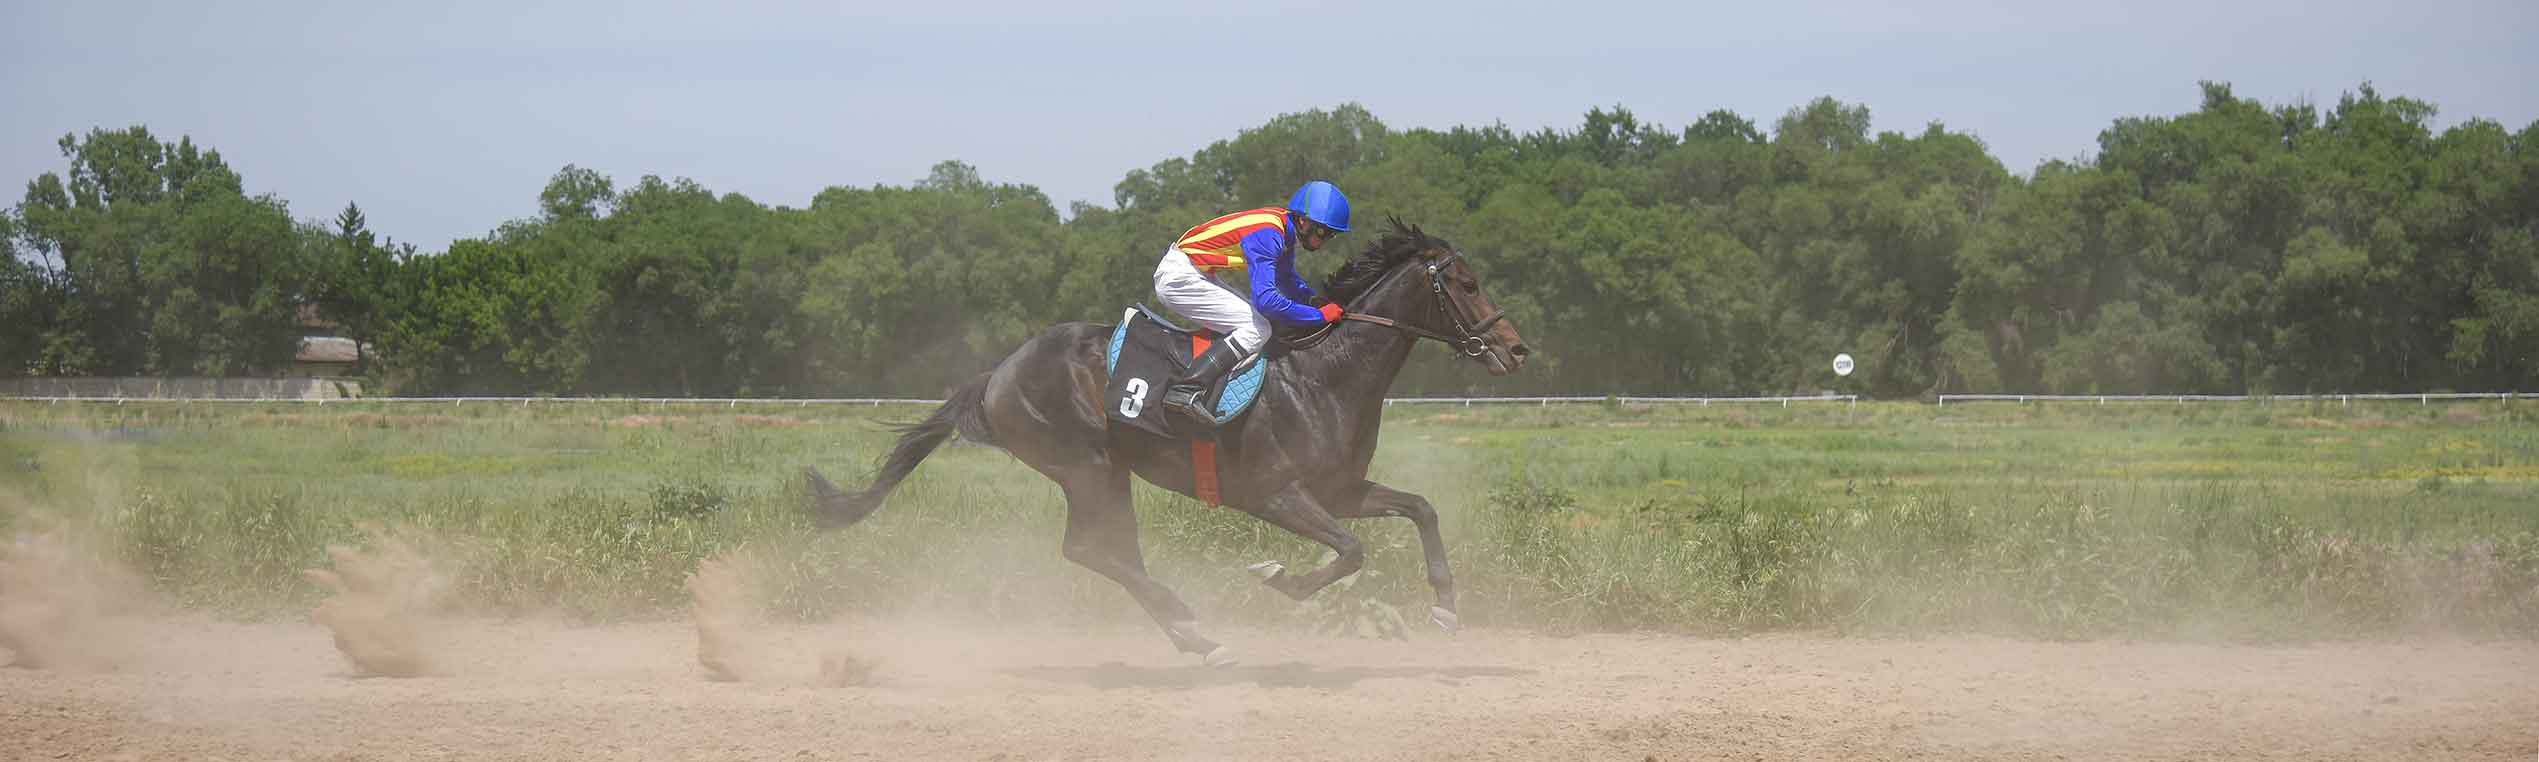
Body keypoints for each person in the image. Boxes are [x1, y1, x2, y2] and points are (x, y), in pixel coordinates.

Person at [1151, 180, 1350, 422]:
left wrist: (1314, 300)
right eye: (1322, 232)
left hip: (1196, 271)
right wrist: (1318, 316)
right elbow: (1267, 300)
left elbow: (1286, 278)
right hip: (1179, 278)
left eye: (1332, 234)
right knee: (1258, 328)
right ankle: (1186, 389)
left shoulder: (1283, 228)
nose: (1325, 240)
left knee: (1259, 322)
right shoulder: (1269, 235)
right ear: (1303, 221)